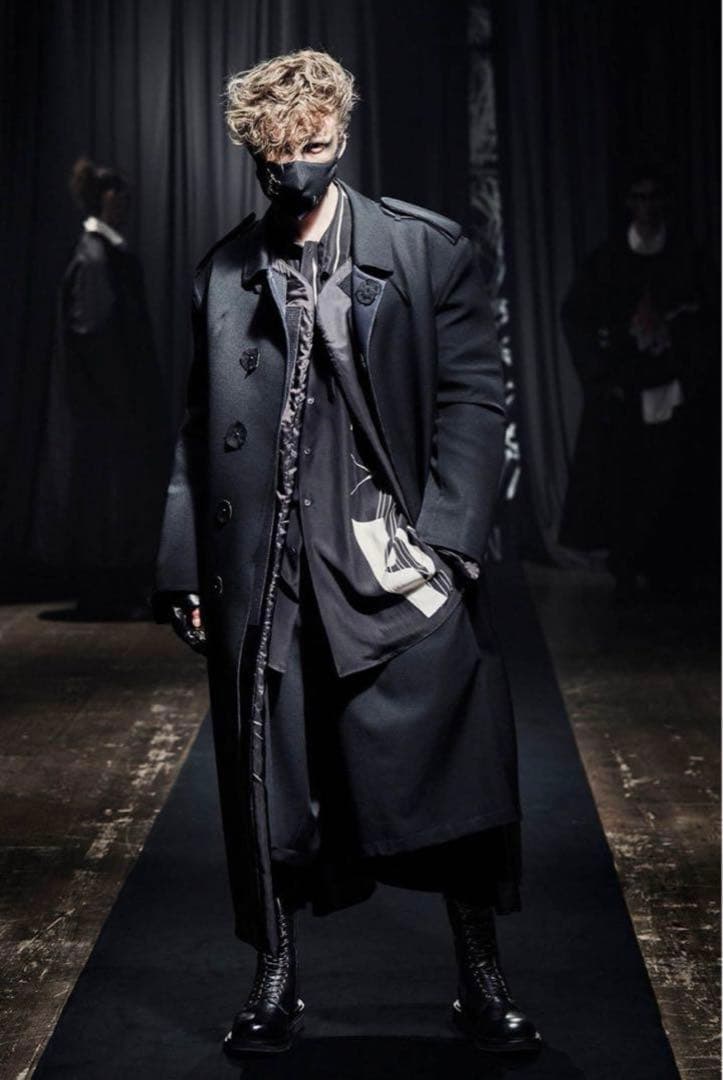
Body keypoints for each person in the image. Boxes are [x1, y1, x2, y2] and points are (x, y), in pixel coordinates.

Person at [152, 49, 541, 1056]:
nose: (297, 167)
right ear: (254, 153)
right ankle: (275, 979)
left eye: (315, 145)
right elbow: (195, 433)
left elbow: (473, 397)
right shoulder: (222, 274)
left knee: (452, 765)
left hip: (392, 556)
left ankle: (481, 978)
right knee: (270, 778)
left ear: (343, 135)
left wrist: (449, 546)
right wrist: (184, 570)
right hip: (269, 569)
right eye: (276, 153)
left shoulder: (425, 249)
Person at [558, 166, 712, 599]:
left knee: (674, 475)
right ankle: (626, 566)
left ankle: (670, 566)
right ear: (630, 204)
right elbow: (577, 319)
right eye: (640, 198)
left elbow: (704, 317)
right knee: (623, 480)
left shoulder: (687, 258)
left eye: (654, 197)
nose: (648, 207)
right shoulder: (607, 261)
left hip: (673, 384)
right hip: (623, 389)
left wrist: (684, 356)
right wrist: (602, 375)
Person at [34, 157, 166, 618]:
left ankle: (113, 589)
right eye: (120, 197)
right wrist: (124, 398)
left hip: (108, 406)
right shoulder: (95, 257)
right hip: (103, 409)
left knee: (113, 499)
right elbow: (94, 331)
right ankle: (104, 592)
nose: (127, 206)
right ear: (106, 199)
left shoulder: (107, 253)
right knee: (105, 500)